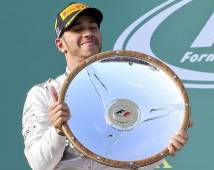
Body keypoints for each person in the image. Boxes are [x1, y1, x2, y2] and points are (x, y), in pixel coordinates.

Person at [22, 2, 190, 170]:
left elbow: (133, 161)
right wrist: (57, 130)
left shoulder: (128, 87)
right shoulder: (44, 94)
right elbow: (39, 165)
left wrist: (163, 150)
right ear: (60, 45)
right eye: (78, 29)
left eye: (93, 28)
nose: (88, 33)